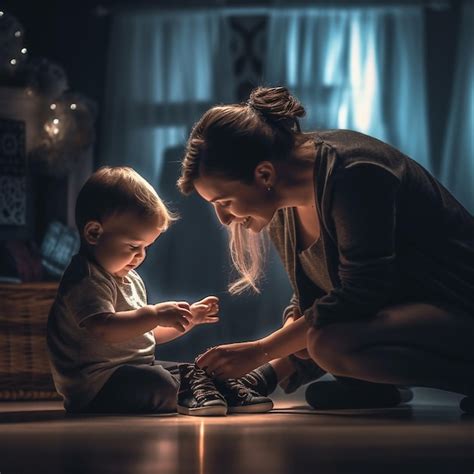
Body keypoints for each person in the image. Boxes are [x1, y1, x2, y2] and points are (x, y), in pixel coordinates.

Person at [177, 86, 474, 413]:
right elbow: (319, 299)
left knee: (327, 341)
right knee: (313, 332)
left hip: (460, 304)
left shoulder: (355, 172)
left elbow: (362, 293)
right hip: (404, 311)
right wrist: (265, 369)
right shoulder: (280, 200)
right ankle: (371, 389)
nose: (223, 217)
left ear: (264, 174)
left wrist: (261, 350)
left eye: (224, 202)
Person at [47, 166, 273, 416]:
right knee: (162, 383)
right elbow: (104, 328)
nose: (140, 256)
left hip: (134, 370)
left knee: (189, 370)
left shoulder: (130, 278)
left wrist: (188, 319)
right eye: (133, 246)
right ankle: (201, 394)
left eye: (145, 247)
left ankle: (214, 391)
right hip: (95, 386)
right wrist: (154, 314)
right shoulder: (85, 277)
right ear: (93, 233)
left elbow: (145, 333)